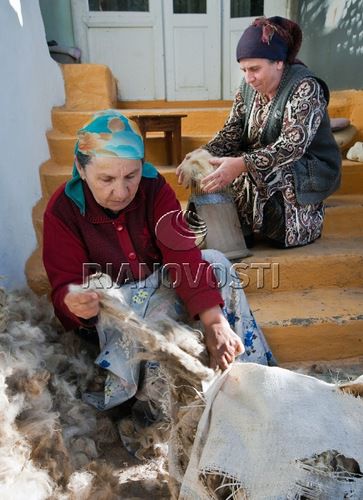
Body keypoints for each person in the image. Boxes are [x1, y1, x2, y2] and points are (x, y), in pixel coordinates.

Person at [43, 110, 274, 418]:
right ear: (80, 169)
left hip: (161, 287)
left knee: (215, 262)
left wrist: (214, 321)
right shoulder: (62, 211)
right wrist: (76, 303)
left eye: (131, 176)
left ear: (142, 168)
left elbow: (182, 255)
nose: (121, 192)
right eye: (107, 179)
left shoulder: (154, 189)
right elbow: (64, 285)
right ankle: (170, 410)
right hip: (118, 311)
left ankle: (253, 379)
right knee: (149, 313)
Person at [177, 16, 341, 248]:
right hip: (263, 157)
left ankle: (284, 232)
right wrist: (202, 154)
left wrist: (241, 164)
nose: (248, 77)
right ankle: (230, 235)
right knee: (212, 167)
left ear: (279, 63)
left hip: (306, 167)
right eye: (243, 69)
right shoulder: (248, 87)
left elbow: (291, 146)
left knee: (264, 172)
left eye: (255, 69)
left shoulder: (306, 87)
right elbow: (232, 131)